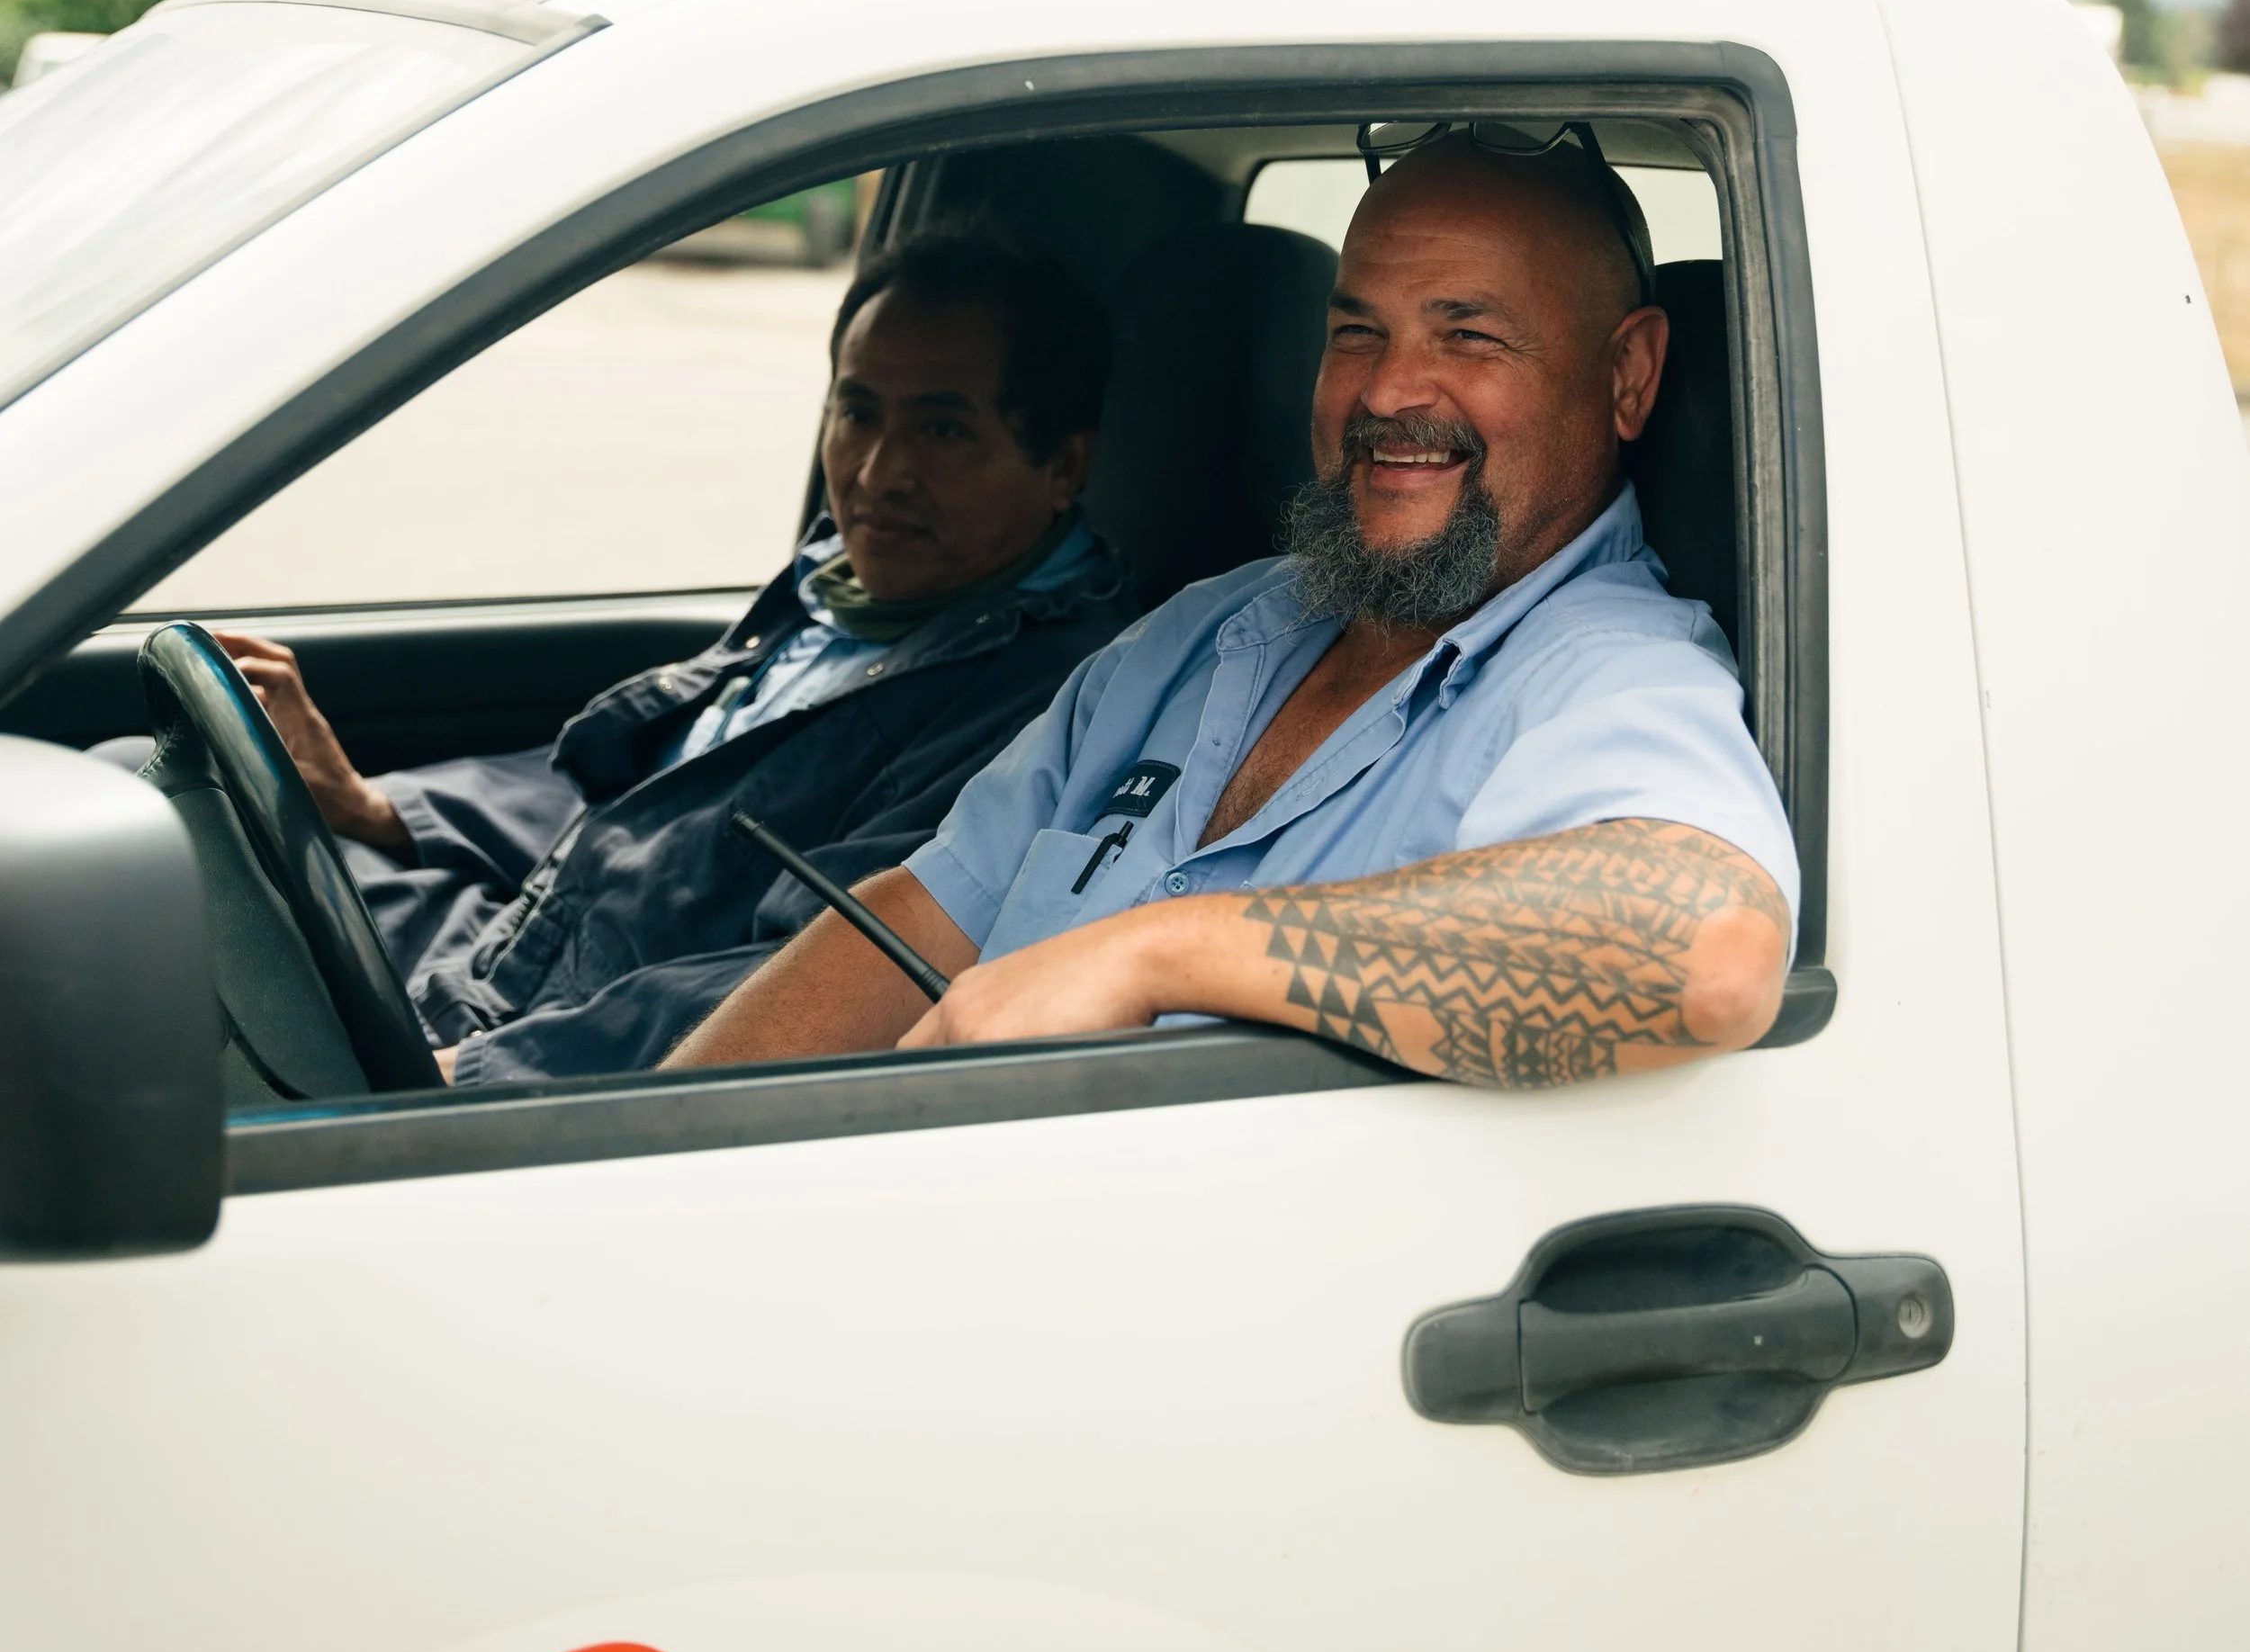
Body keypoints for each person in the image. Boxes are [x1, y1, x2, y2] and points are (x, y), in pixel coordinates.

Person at [666, 128, 1797, 1090]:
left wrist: (1157, 951)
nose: (1390, 390)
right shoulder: (1203, 635)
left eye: (1469, 334)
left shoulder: (1608, 674)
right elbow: (919, 914)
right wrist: (662, 1150)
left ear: (1628, 376)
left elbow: (1707, 950)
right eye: (1358, 331)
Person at [218, 236, 1131, 1084]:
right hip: (514, 947)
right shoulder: (847, 593)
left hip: (575, 1040)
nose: (874, 471)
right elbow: (656, 793)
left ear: (1061, 464)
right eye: (857, 411)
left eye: (941, 430)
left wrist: (492, 1071)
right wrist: (381, 809)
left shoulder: (1039, 702)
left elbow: (815, 975)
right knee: (187, 816)